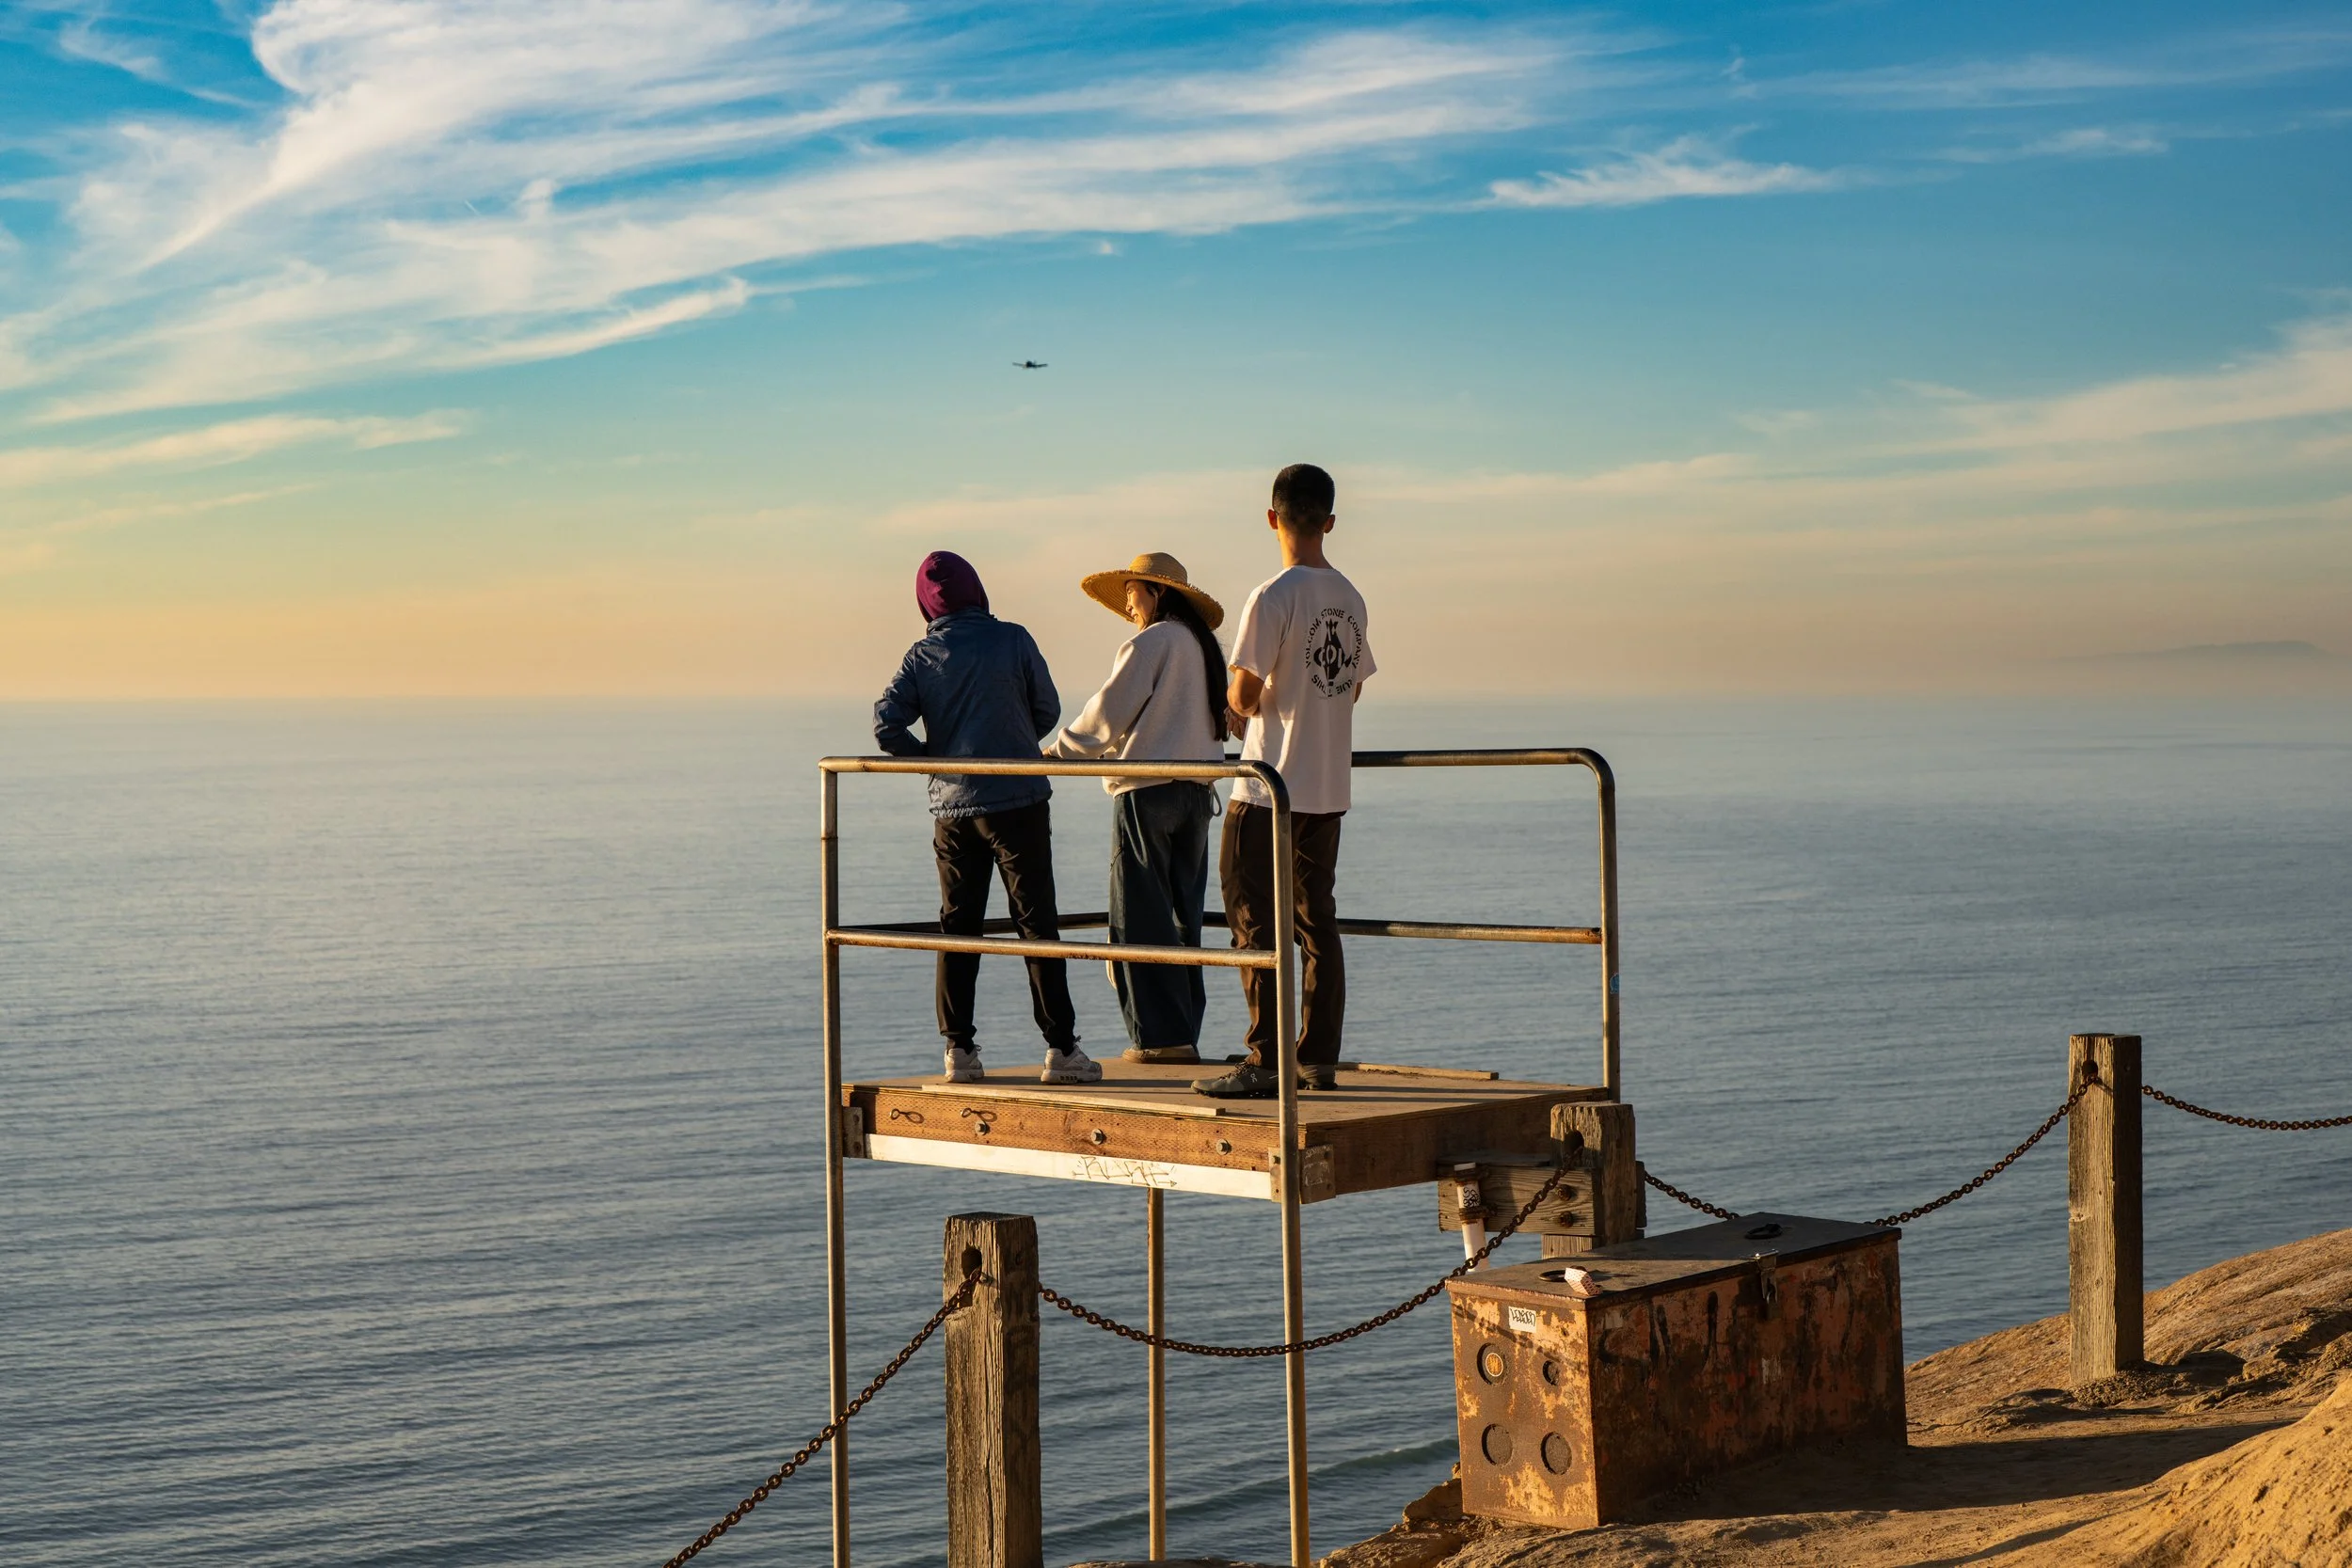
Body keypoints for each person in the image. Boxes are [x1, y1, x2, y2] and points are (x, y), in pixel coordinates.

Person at [874, 550, 1103, 1086]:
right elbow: (1046, 709)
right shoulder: (1015, 639)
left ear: (926, 602)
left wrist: (934, 759)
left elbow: (886, 727)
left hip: (952, 810)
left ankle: (959, 1051)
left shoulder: (921, 655)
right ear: (977, 589)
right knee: (1037, 924)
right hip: (1019, 799)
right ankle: (1062, 1049)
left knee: (958, 927)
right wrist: (1015, 739)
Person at [1192, 464, 1375, 1100]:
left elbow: (1242, 692)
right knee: (1315, 922)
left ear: (1272, 518)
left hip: (1267, 787)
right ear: (1328, 521)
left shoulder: (1270, 596)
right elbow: (1353, 684)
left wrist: (1238, 700)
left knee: (1251, 922)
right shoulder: (1351, 598)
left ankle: (1266, 1059)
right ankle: (1316, 1057)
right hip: (1327, 786)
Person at [1043, 553, 1230, 1065]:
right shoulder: (1202, 648)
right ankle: (1183, 1033)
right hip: (1197, 794)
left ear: (1157, 592)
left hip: (1148, 792)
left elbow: (1108, 711)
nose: (1128, 602)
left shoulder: (1153, 643)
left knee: (1138, 916)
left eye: (1134, 591)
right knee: (1182, 915)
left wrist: (1057, 751)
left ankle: (1158, 1040)